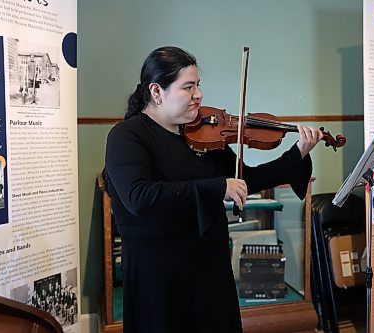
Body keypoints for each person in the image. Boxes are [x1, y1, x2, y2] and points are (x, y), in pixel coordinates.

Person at [103, 46, 323, 333]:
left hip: (209, 269)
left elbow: (247, 180)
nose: (198, 95)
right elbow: (139, 197)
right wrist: (219, 186)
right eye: (188, 87)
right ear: (156, 91)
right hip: (160, 276)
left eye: (198, 85)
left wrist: (297, 153)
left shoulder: (202, 134)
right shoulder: (127, 136)